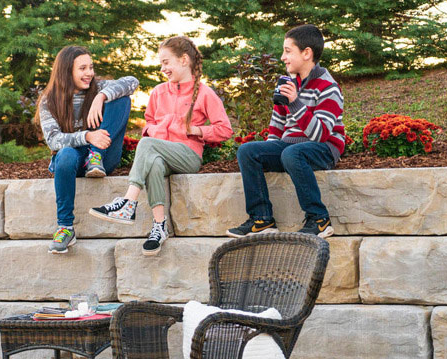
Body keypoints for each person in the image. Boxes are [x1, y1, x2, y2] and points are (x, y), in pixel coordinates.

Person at [89, 36, 232, 256]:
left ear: (184, 60)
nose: (162, 67)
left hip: (188, 156)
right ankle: (159, 226)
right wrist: (154, 130)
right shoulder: (157, 92)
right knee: (153, 162)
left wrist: (197, 130)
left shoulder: (205, 93)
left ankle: (128, 201)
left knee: (147, 145)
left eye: (166, 62)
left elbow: (225, 130)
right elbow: (149, 124)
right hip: (162, 154)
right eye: (161, 63)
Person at [227, 24, 345, 239]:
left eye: (288, 51)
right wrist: (268, 150)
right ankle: (262, 219)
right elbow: (277, 126)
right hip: (290, 148)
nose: (283, 57)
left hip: (323, 148)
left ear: (306, 53)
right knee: (248, 151)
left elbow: (321, 134)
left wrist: (295, 102)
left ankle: (319, 219)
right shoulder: (288, 84)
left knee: (292, 153)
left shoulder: (328, 87)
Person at [36, 45, 138, 254]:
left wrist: (101, 97)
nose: (89, 73)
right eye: (82, 68)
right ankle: (65, 227)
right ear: (67, 71)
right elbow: (53, 140)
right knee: (64, 154)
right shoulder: (49, 100)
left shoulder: (97, 88)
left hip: (103, 158)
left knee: (121, 98)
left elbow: (132, 82)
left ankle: (95, 157)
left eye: (91, 67)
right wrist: (88, 136)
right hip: (71, 161)